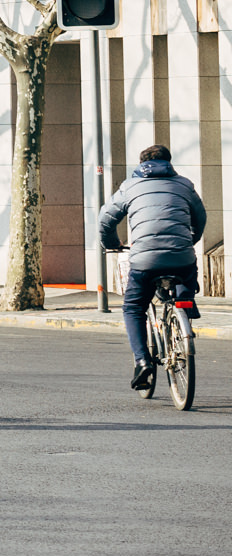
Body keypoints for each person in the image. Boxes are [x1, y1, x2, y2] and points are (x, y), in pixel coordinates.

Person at [99, 144, 208, 390]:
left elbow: (105, 220)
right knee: (187, 273)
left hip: (145, 260)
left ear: (141, 164)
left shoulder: (130, 187)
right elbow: (200, 218)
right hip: (181, 257)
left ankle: (141, 362)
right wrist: (189, 239)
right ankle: (186, 306)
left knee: (134, 307)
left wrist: (112, 244)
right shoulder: (184, 185)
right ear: (169, 162)